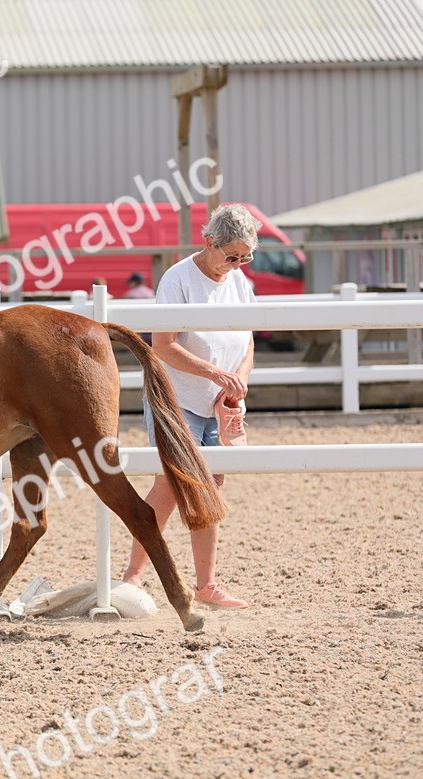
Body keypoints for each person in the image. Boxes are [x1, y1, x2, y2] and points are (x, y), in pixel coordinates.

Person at [122, 204, 258, 609]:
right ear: (209, 242)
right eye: (231, 256)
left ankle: (206, 583)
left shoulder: (239, 281)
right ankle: (133, 575)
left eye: (245, 257)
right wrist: (216, 373)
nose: (237, 265)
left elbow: (248, 340)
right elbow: (163, 346)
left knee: (212, 484)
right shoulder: (178, 278)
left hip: (217, 401)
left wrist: (238, 382)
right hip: (176, 397)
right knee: (170, 482)